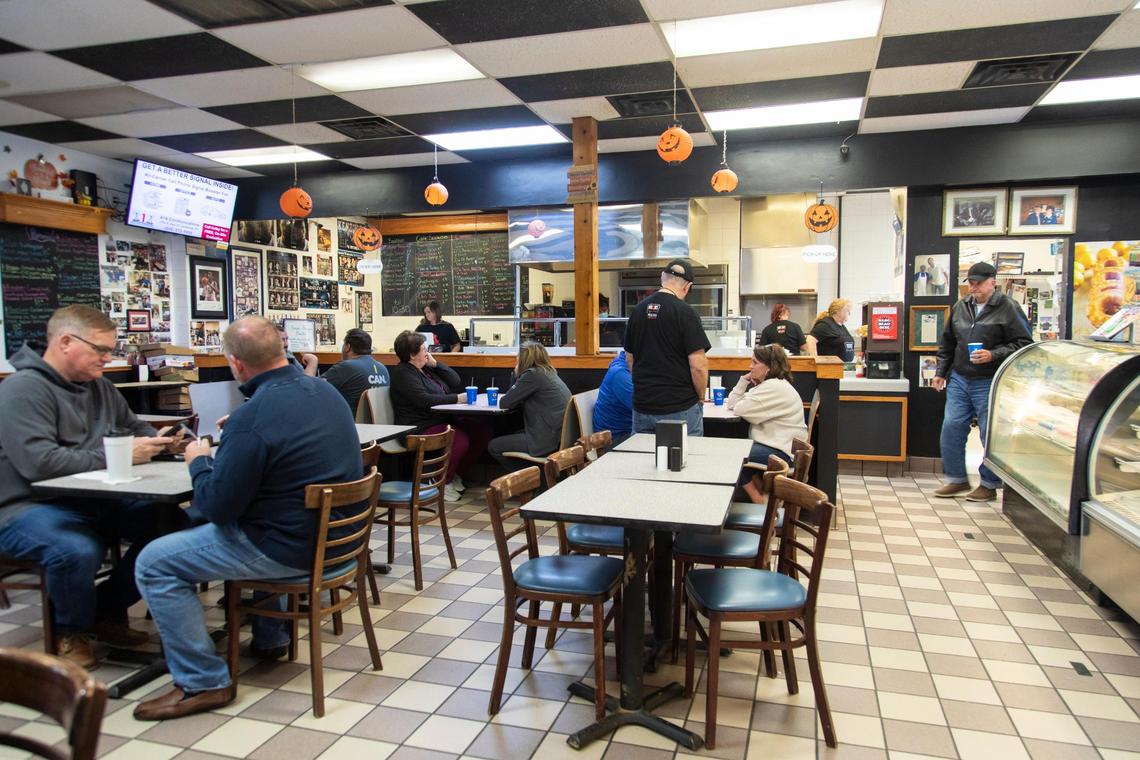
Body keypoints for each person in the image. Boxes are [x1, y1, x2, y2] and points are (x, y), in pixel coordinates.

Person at [132, 316, 361, 720]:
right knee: (268, 512)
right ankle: (270, 636)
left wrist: (199, 461)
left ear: (236, 364)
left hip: (287, 549)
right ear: (281, 351)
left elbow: (218, 507)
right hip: (339, 544)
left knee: (155, 560)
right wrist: (240, 434)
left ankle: (203, 681)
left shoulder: (251, 417)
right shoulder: (325, 393)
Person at [0, 305, 187, 669]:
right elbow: (39, 464)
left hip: (99, 497)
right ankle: (72, 630)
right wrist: (120, 454)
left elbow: (134, 427)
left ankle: (104, 609)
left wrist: (161, 441)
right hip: (30, 505)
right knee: (76, 549)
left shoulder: (100, 386)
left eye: (111, 350)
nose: (108, 358)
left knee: (173, 527)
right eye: (100, 350)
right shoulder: (23, 390)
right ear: (66, 342)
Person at [932, 262, 1033, 502]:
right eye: (971, 282)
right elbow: (947, 343)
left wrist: (993, 354)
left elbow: (1024, 343)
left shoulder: (1008, 307)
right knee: (951, 427)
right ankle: (956, 479)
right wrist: (940, 372)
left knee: (989, 432)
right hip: (960, 377)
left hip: (990, 379)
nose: (974, 287)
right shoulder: (961, 306)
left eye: (979, 282)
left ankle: (989, 484)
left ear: (992, 282)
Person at [389, 331, 491, 502]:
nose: (428, 352)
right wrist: (456, 399)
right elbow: (424, 400)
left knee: (481, 431)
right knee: (459, 439)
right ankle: (440, 481)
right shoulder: (403, 373)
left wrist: (436, 364)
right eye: (424, 349)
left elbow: (455, 380)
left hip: (440, 419)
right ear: (412, 355)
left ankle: (454, 472)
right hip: (417, 427)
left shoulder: (426, 369)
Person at [624, 259, 711, 436]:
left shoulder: (638, 311)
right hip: (679, 407)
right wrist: (701, 397)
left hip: (643, 406)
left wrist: (647, 387)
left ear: (662, 278)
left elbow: (629, 358)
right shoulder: (686, 313)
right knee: (685, 460)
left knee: (642, 460)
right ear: (687, 287)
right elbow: (698, 366)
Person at [488, 343, 571, 472]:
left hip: (547, 440)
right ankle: (532, 480)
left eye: (517, 357)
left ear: (524, 359)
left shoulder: (532, 375)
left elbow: (505, 402)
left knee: (494, 446)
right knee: (514, 434)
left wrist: (515, 374)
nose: (516, 359)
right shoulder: (547, 372)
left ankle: (528, 481)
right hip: (559, 436)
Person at [727, 343, 807, 471]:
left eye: (755, 363)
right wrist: (744, 380)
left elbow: (738, 408)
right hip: (778, 448)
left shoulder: (773, 387)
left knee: (731, 454)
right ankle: (759, 492)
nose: (750, 366)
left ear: (769, 367)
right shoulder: (770, 385)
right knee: (735, 451)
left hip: (781, 453)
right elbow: (732, 404)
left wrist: (744, 384)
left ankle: (758, 492)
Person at [321, 327, 389, 414]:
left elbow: (310, 389)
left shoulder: (346, 367)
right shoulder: (383, 369)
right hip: (377, 425)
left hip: (350, 425)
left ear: (347, 347)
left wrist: (312, 363)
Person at [593, 350, 634, 447]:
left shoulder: (628, 367)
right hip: (614, 439)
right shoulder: (620, 374)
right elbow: (645, 408)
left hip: (625, 432)